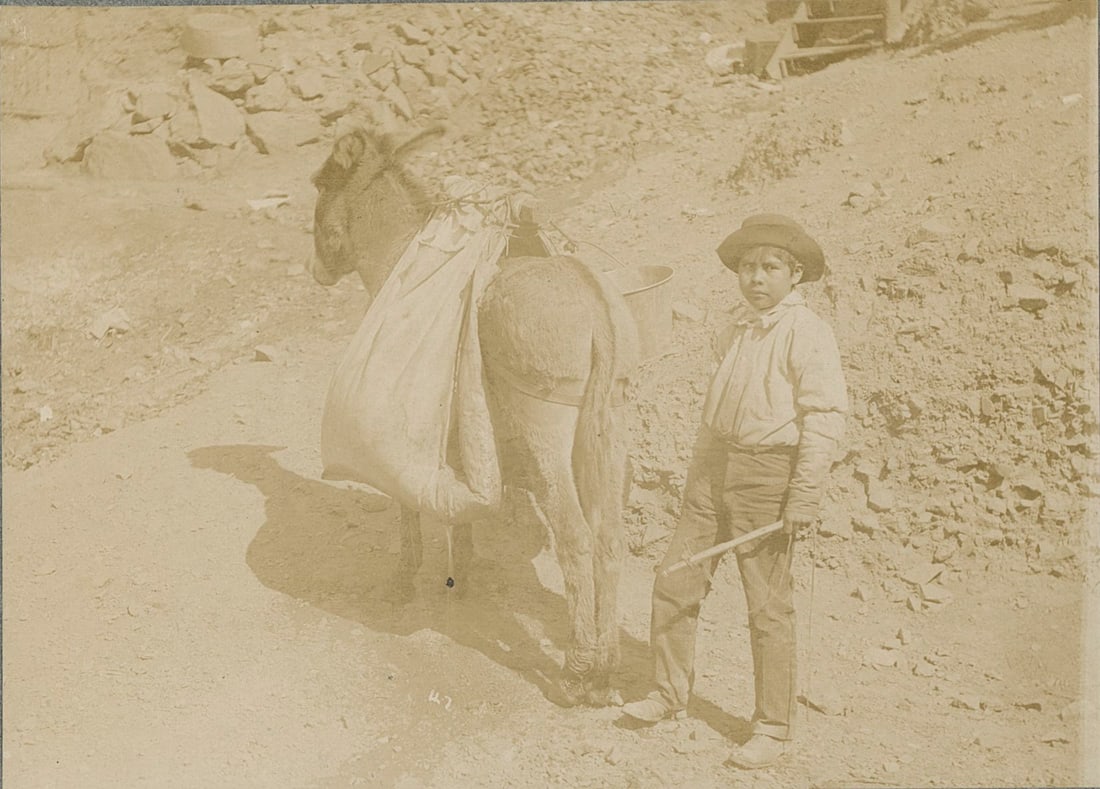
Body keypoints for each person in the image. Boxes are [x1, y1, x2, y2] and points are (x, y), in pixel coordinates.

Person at [621, 214, 848, 770]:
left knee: (767, 607)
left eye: (770, 267)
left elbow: (825, 415)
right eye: (748, 267)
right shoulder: (736, 328)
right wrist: (699, 474)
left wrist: (804, 495)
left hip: (768, 475)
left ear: (795, 274)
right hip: (712, 469)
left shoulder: (806, 332)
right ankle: (670, 693)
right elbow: (713, 414)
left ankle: (771, 727)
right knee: (675, 577)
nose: (756, 277)